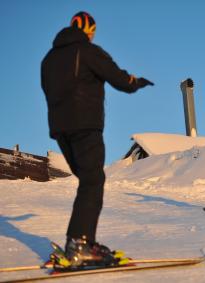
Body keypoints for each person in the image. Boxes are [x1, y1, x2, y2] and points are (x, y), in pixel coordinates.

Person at [41, 11, 154, 268]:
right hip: (85, 125)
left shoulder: (49, 58)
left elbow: (47, 89)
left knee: (88, 181)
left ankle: (82, 241)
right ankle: (80, 245)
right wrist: (136, 82)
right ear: (88, 30)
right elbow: (118, 78)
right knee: (93, 180)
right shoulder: (87, 50)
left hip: (60, 129)